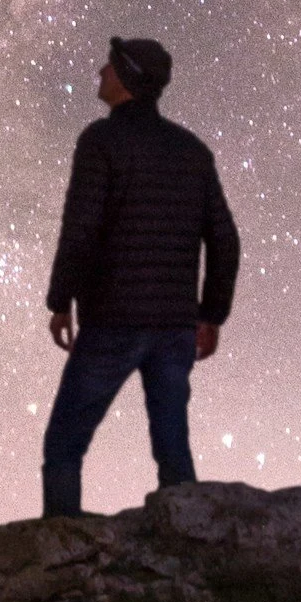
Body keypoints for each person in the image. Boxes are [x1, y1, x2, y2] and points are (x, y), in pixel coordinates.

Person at [40, 36, 240, 516]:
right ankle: (193, 559)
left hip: (112, 320)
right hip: (174, 325)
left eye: (109, 65)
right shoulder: (193, 152)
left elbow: (80, 228)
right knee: (173, 453)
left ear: (127, 78)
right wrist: (211, 315)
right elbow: (226, 239)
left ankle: (63, 561)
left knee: (63, 447)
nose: (99, 71)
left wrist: (60, 300)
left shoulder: (100, 141)